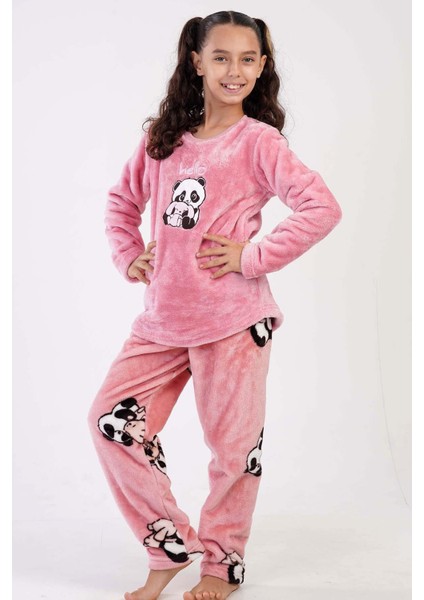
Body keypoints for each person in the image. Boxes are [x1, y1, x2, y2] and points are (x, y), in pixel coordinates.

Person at [87, 10, 342, 600]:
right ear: (196, 61)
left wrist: (252, 257)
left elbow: (320, 207)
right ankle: (172, 545)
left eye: (248, 59)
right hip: (162, 320)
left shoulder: (259, 142)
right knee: (111, 423)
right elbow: (121, 203)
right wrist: (130, 256)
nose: (235, 70)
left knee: (233, 453)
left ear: (262, 66)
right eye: (221, 57)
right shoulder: (162, 140)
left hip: (232, 321)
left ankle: (222, 566)